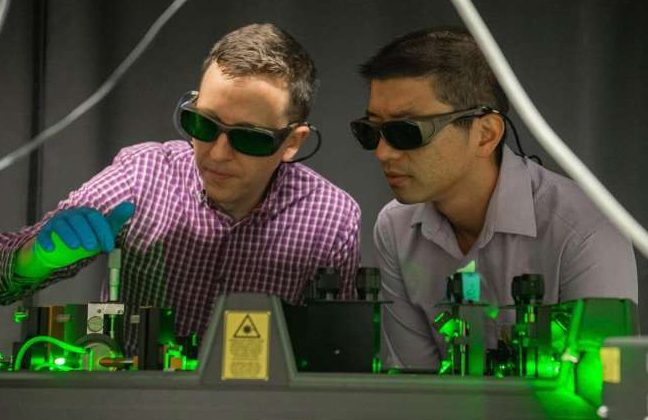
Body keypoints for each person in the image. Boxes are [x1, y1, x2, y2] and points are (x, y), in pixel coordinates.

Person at [0, 23, 360, 350]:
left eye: (249, 138)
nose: (218, 154)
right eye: (203, 124)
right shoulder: (144, 175)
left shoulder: (331, 217)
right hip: (134, 395)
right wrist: (36, 258)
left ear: (292, 142)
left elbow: (336, 354)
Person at [350, 27, 638, 370]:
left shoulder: (585, 229)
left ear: (486, 134)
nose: (383, 153)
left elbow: (604, 385)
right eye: (370, 131)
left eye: (405, 131)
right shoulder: (394, 227)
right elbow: (416, 383)